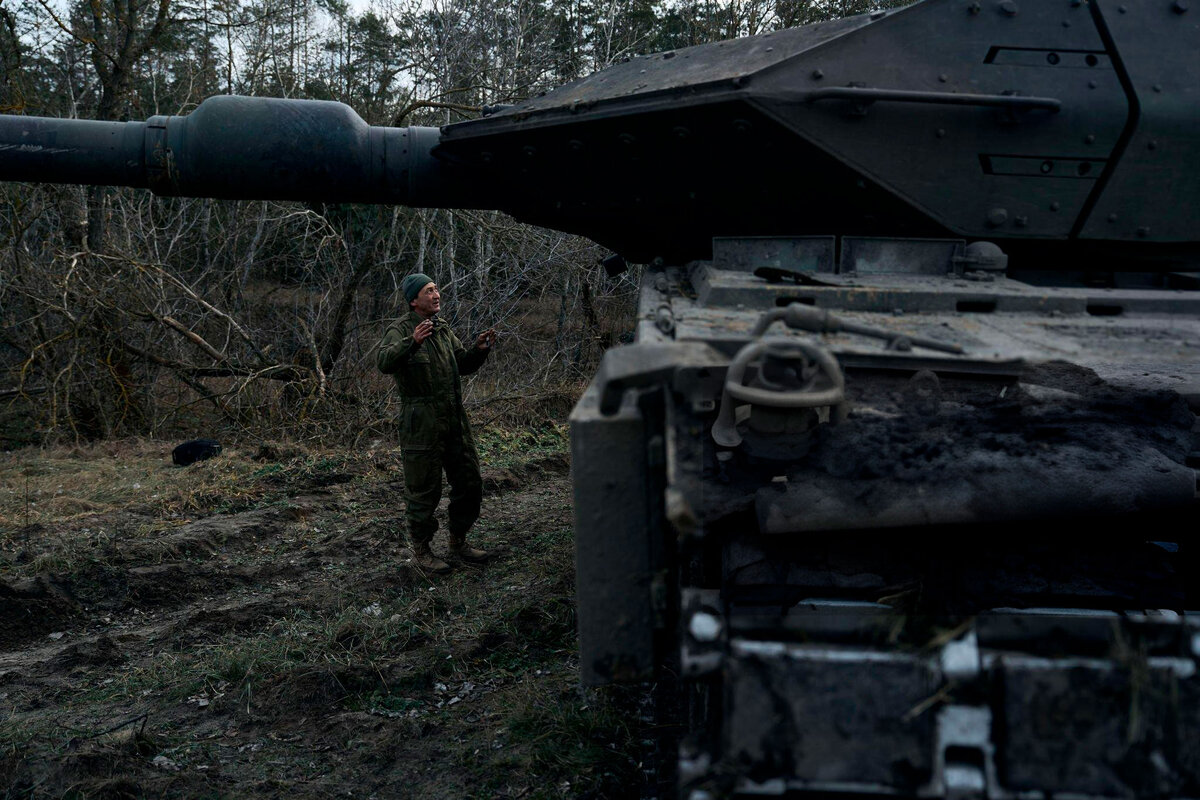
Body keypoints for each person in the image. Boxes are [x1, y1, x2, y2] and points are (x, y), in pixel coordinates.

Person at [377, 273, 498, 573]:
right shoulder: (401, 329)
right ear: (414, 300)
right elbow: (384, 362)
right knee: (423, 490)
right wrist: (412, 342)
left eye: (436, 288)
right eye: (429, 290)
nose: (437, 294)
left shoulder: (443, 330)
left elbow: (462, 364)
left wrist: (479, 350)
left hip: (454, 420)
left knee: (469, 482)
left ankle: (458, 542)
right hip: (421, 424)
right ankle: (421, 552)